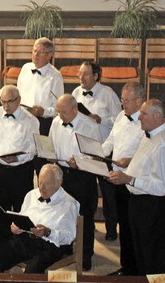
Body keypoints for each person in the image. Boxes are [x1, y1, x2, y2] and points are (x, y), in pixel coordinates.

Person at [0, 164, 80, 274]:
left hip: (49, 245)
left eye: (46, 184)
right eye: (40, 183)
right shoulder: (31, 194)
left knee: (32, 272)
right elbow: (21, 217)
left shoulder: (69, 204)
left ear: (58, 183)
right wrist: (16, 227)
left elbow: (69, 237)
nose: (41, 188)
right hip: (25, 239)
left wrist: (48, 232)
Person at [108, 99, 165, 275]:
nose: (139, 117)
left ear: (157, 116)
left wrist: (128, 179)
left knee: (151, 253)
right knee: (138, 248)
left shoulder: (162, 143)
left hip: (151, 205)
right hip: (137, 201)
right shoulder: (150, 135)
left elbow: (161, 187)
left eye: (143, 113)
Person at [49, 94, 101, 271]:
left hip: (83, 176)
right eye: (58, 112)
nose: (60, 116)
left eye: (64, 112)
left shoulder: (89, 126)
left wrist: (79, 161)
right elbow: (51, 144)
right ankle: (64, 249)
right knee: (62, 213)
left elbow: (97, 156)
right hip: (62, 174)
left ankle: (86, 255)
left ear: (75, 109)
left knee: (84, 216)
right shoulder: (56, 122)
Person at [0, 85, 39, 243]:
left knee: (21, 206)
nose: (5, 106)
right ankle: (2, 240)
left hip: (21, 170)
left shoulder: (30, 120)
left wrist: (17, 159)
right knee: (0, 206)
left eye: (9, 102)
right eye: (2, 102)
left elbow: (33, 148)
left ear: (19, 100)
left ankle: (22, 242)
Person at [72, 61, 122, 242]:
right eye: (79, 74)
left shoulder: (108, 94)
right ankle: (88, 225)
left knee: (108, 193)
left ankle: (111, 228)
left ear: (95, 76)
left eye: (85, 74)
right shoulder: (76, 93)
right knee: (87, 192)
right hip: (83, 149)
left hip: (103, 149)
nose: (81, 78)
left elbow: (120, 119)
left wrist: (101, 119)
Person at [100, 83, 145, 276]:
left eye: (126, 101)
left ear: (139, 101)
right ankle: (126, 266)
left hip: (134, 182)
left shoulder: (146, 122)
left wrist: (130, 160)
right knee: (124, 227)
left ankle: (137, 269)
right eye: (122, 99)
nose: (122, 104)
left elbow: (148, 154)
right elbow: (110, 141)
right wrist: (96, 155)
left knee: (135, 228)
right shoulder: (120, 116)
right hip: (117, 179)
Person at [18, 37, 64, 136]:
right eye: (34, 51)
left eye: (40, 52)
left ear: (49, 55)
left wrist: (43, 112)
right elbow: (19, 93)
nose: (36, 55)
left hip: (42, 121)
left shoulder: (55, 76)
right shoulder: (26, 68)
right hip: (22, 117)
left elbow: (58, 108)